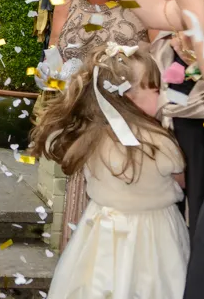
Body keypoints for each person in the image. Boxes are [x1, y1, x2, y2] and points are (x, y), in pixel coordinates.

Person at [30, 43, 189, 299]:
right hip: (154, 232)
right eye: (156, 90)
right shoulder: (160, 141)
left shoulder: (90, 137)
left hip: (102, 227)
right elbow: (181, 179)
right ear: (129, 96)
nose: (162, 97)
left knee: (97, 282)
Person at [34, 0, 156, 250]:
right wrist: (49, 72)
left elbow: (161, 62)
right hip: (81, 125)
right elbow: (55, 50)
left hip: (128, 129)